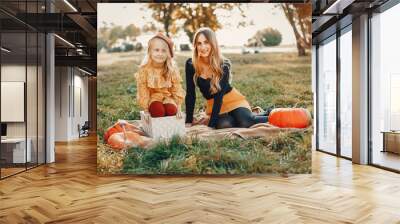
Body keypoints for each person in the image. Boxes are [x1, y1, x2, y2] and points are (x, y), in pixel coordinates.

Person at [185, 27, 268, 129]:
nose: (203, 47)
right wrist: (188, 121)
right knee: (225, 124)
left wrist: (210, 126)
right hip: (214, 106)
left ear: (213, 43)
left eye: (206, 42)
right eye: (199, 43)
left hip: (233, 100)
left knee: (246, 122)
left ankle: (272, 114)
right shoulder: (191, 64)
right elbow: (190, 95)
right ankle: (252, 116)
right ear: (195, 45)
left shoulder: (224, 65)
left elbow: (219, 96)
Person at [135, 33, 185, 118]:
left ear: (168, 54)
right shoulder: (145, 70)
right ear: (150, 52)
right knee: (158, 111)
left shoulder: (171, 69)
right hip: (154, 98)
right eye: (156, 50)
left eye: (163, 50)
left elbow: (176, 88)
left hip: (168, 98)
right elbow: (143, 90)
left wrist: (179, 108)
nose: (160, 54)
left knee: (172, 111)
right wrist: (146, 110)